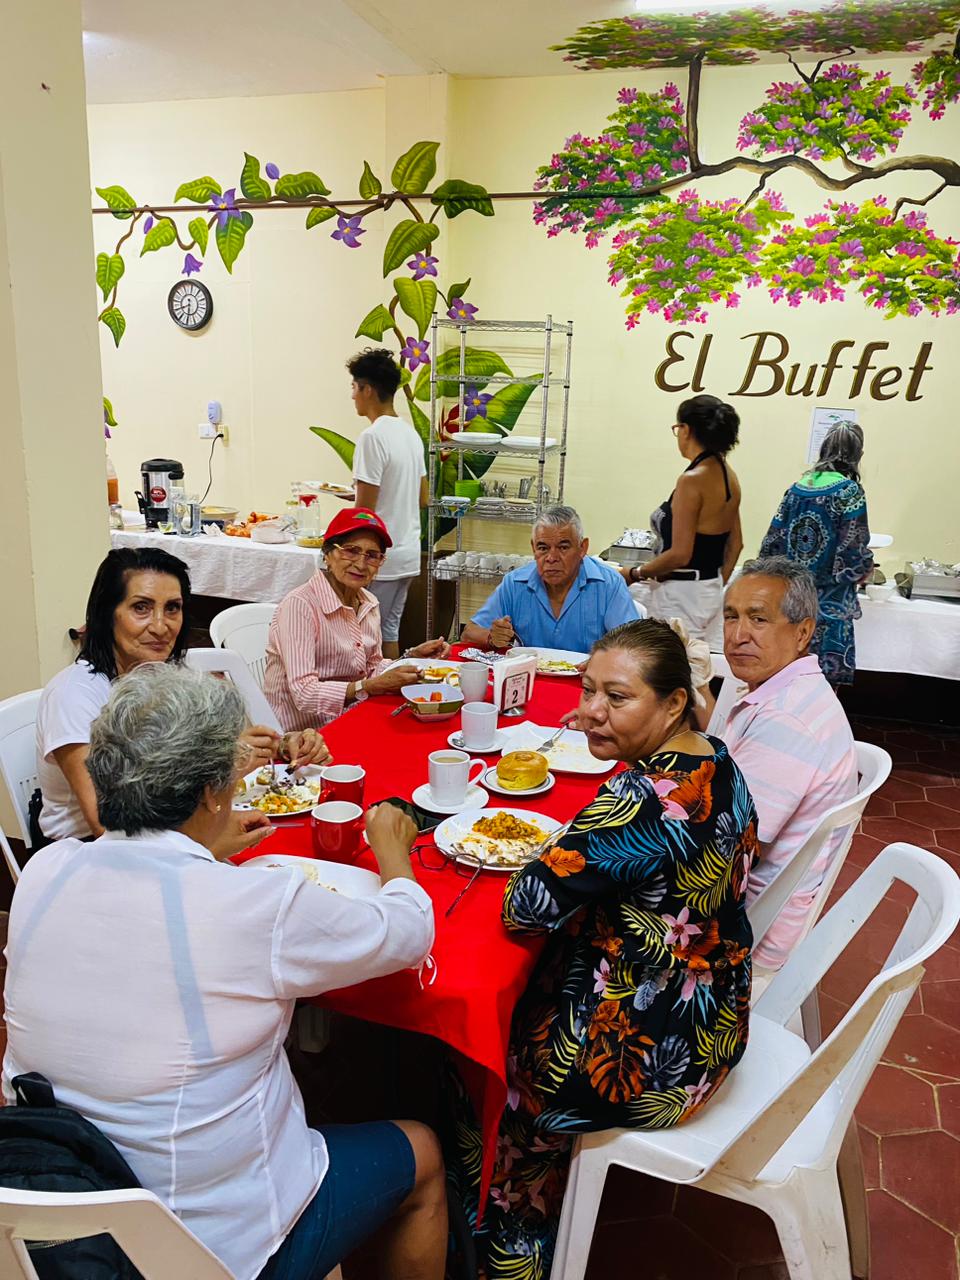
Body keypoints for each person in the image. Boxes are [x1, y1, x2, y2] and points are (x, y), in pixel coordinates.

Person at [4, 664, 446, 1280]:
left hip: (57, 1206)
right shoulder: (252, 906)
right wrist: (394, 852)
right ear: (213, 793)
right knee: (424, 1152)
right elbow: (408, 933)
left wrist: (201, 845)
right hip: (205, 1248)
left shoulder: (45, 873)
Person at [448, 619, 759, 1277]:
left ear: (674, 703)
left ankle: (510, 1235)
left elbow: (526, 906)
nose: (590, 710)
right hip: (714, 1022)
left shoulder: (640, 796)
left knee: (472, 1059)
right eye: (587, 689)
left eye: (617, 697)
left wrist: (556, 846)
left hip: (645, 1053)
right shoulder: (717, 758)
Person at [35, 547, 329, 845]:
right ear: (107, 613)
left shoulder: (172, 672)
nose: (160, 626)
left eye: (172, 608)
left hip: (177, 826)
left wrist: (282, 746)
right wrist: (224, 767)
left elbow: (240, 740)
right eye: (141, 608)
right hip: (93, 849)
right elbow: (106, 825)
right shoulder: (74, 696)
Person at [713, 557, 858, 974]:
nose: (738, 635)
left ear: (802, 633)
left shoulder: (787, 719)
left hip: (750, 925)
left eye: (758, 619)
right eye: (731, 616)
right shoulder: (783, 690)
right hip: (751, 897)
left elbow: (725, 847)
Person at [265, 507, 448, 731]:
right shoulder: (300, 606)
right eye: (351, 551)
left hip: (351, 717)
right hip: (303, 733)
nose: (361, 564)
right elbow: (305, 693)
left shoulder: (368, 602)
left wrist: (411, 658)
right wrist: (367, 687)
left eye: (372, 556)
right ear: (327, 554)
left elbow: (372, 667)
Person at [622, 394, 743, 648]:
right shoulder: (728, 475)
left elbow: (680, 554)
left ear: (686, 430)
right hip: (708, 589)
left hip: (681, 593)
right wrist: (716, 583)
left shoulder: (692, 480)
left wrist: (635, 573)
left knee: (674, 662)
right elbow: (736, 545)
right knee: (696, 660)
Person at [760, 421, 873, 686]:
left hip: (792, 601)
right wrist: (865, 568)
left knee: (786, 676)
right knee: (821, 684)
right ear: (857, 454)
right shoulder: (849, 492)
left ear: (823, 449)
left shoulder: (796, 490)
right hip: (829, 606)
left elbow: (771, 546)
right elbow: (854, 550)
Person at [461, 505, 637, 653]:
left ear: (582, 548)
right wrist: (492, 637)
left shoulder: (609, 584)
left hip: (587, 680)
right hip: (529, 678)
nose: (551, 558)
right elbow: (469, 633)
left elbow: (635, 647)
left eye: (563, 547)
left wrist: (599, 662)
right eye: (543, 548)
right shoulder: (514, 584)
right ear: (533, 548)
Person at [350, 347, 429, 658]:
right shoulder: (410, 435)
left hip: (379, 557)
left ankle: (368, 687)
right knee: (389, 630)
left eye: (354, 388)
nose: (352, 396)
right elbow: (422, 497)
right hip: (408, 553)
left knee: (363, 634)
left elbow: (364, 514)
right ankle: (392, 682)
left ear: (368, 389)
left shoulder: (372, 437)